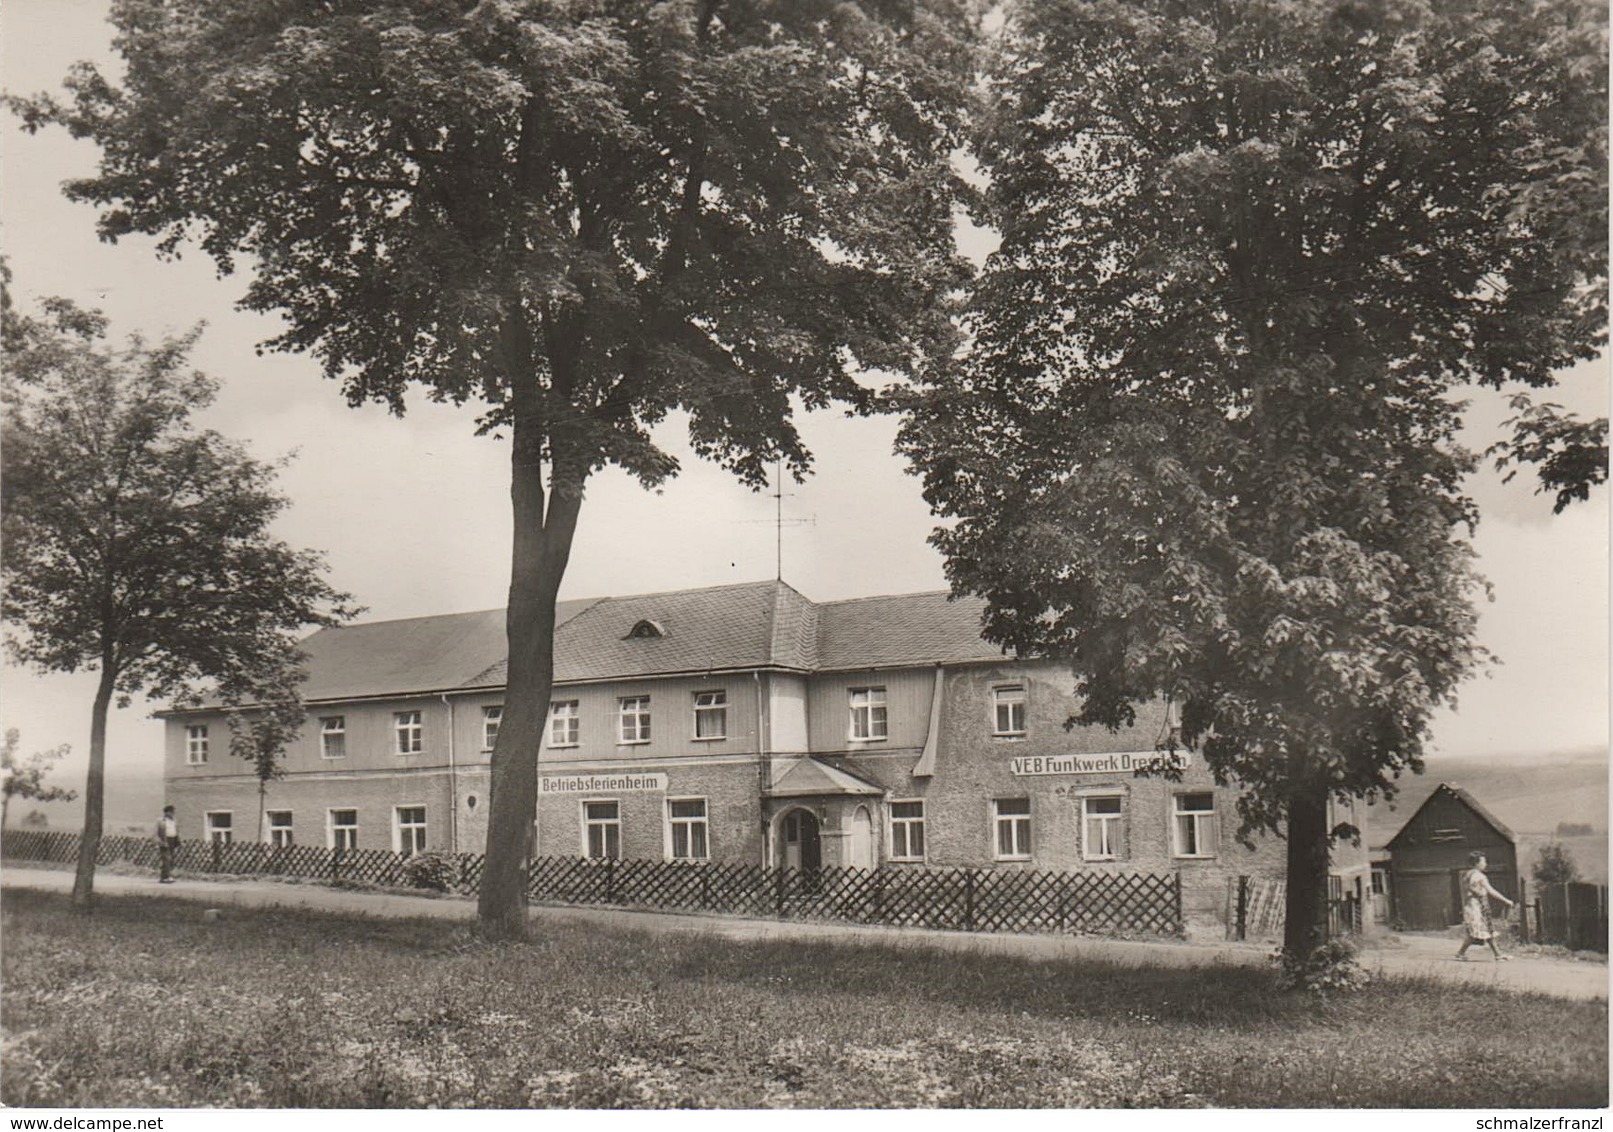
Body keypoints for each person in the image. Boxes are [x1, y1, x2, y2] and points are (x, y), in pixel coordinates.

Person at [1456, 850, 1514, 961]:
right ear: (1477, 863)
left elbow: (1468, 890)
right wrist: (1506, 900)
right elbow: (1491, 891)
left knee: (1483, 931)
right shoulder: (1479, 876)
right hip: (1477, 907)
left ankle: (1497, 954)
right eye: (1483, 861)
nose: (1485, 864)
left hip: (1471, 906)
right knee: (1479, 931)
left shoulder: (1467, 875)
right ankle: (1461, 953)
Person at [156, 804, 179, 883]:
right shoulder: (161, 821)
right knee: (166, 859)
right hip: (165, 840)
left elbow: (176, 831)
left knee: (170, 859)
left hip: (172, 840)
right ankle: (167, 877)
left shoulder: (174, 821)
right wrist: (160, 842)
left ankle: (164, 877)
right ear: (167, 812)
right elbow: (156, 833)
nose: (173, 813)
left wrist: (177, 840)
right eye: (172, 812)